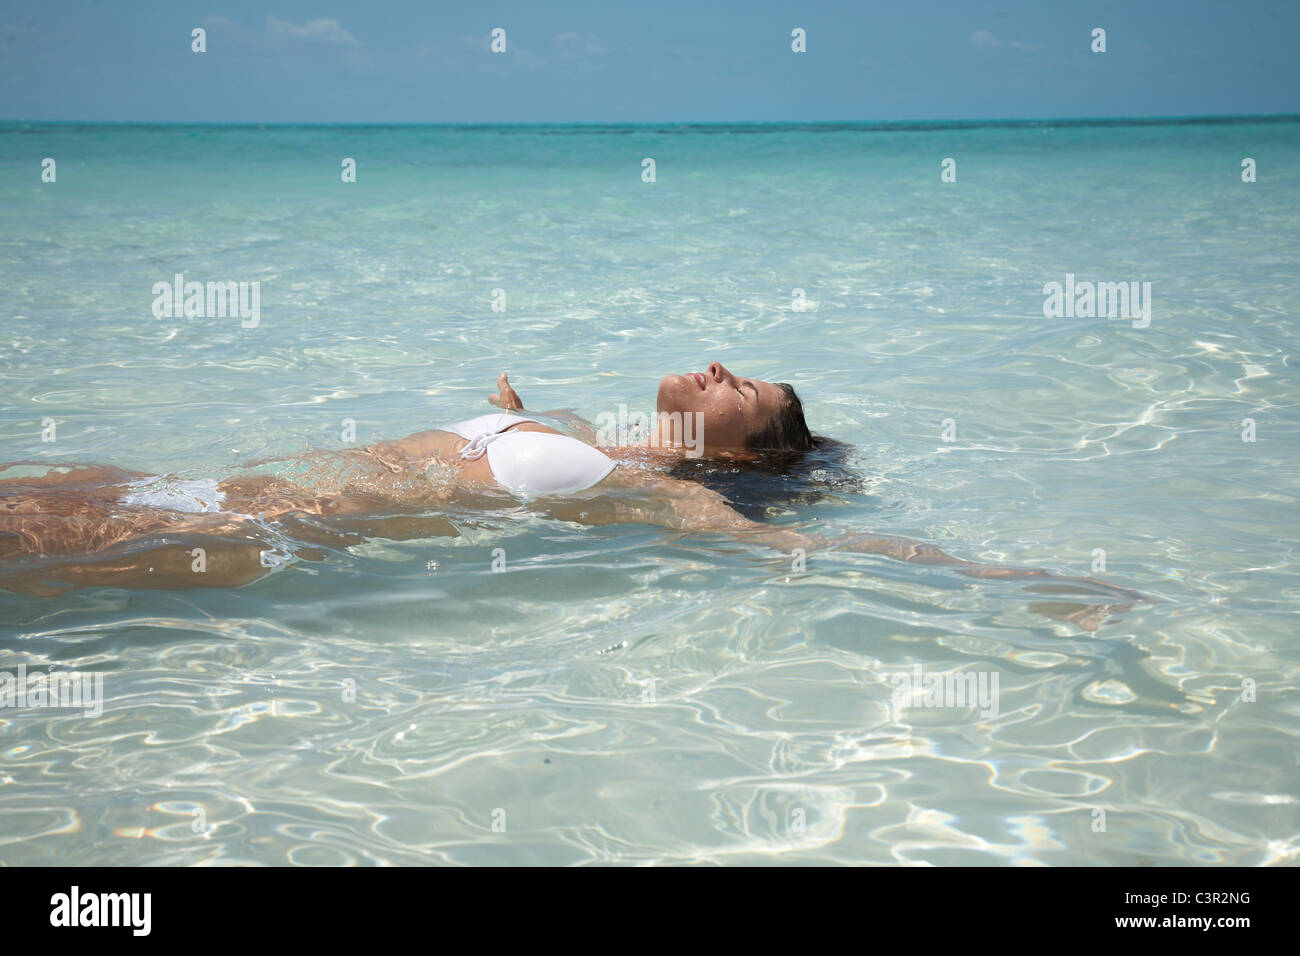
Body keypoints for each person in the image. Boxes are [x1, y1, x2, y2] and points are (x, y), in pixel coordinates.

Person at [0, 362, 1149, 625]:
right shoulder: (598, 435)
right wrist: (514, 410)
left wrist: (1016, 580)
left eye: (740, 382)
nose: (714, 365)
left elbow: (839, 557)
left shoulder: (674, 499)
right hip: (180, 486)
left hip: (252, 530)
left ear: (749, 448)